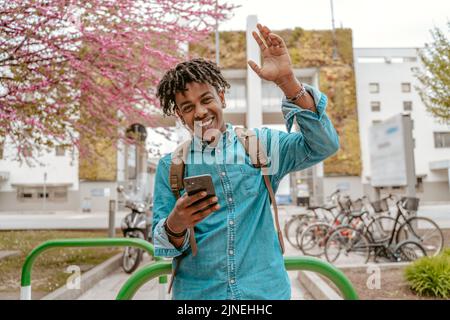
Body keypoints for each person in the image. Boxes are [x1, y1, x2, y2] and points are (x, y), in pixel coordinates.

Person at [152, 23, 339, 300]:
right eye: (188, 107)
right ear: (180, 117)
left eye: (206, 99)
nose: (201, 112)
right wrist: (176, 222)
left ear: (222, 97)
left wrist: (287, 81)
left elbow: (324, 144)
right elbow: (162, 245)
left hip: (265, 295)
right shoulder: (171, 167)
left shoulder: (261, 146)